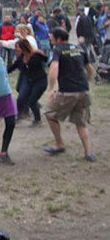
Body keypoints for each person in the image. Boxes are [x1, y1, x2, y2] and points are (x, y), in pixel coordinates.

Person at [43, 28, 96, 162]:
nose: (50, 39)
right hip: (83, 90)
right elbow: (90, 69)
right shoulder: (79, 48)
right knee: (81, 122)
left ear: (59, 39)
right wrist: (88, 82)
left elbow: (54, 68)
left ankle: (59, 144)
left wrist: (50, 89)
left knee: (49, 114)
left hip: (67, 92)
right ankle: (88, 153)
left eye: (52, 37)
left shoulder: (57, 50)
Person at [9, 39, 48, 126]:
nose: (16, 50)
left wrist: (41, 54)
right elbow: (12, 67)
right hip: (28, 80)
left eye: (18, 48)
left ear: (24, 47)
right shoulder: (20, 58)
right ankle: (20, 115)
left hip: (40, 80)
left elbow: (47, 60)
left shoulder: (36, 55)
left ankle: (37, 120)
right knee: (20, 99)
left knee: (32, 101)